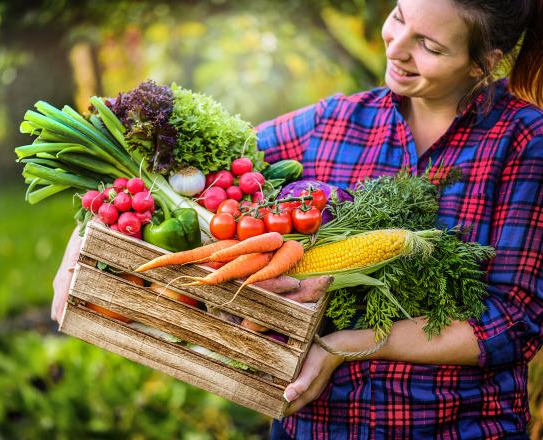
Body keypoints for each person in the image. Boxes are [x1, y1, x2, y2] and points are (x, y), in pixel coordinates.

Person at [51, 0, 543, 437]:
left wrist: (345, 345)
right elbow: (188, 174)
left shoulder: (524, 144)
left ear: (485, 64)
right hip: (319, 424)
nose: (397, 49)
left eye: (429, 46)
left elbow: (515, 320)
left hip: (454, 424)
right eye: (397, 18)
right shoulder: (335, 121)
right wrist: (88, 236)